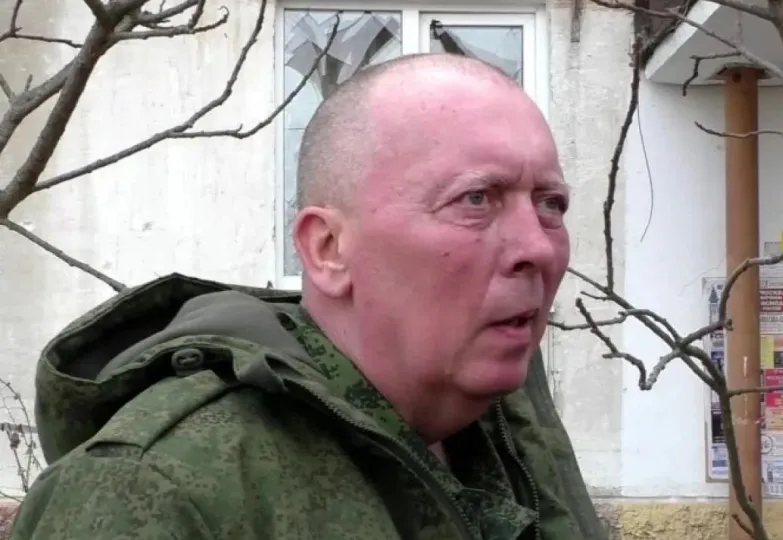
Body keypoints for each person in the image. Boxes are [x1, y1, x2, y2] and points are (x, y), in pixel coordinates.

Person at [8, 53, 605, 540]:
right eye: (476, 199)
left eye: (550, 203)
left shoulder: (516, 439)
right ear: (328, 248)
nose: (538, 246)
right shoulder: (152, 489)